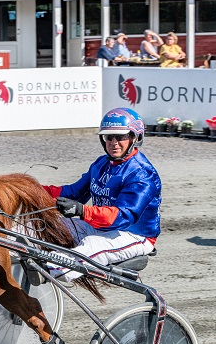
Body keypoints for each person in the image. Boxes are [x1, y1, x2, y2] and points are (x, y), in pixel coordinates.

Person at [42, 107, 161, 282]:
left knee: (92, 245)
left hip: (133, 234)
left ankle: (45, 271)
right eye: (109, 137)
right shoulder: (101, 163)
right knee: (46, 224)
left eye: (121, 137)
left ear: (135, 138)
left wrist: (83, 211)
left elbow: (122, 216)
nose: (114, 142)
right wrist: (32, 190)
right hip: (100, 225)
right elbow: (73, 193)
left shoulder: (143, 174)